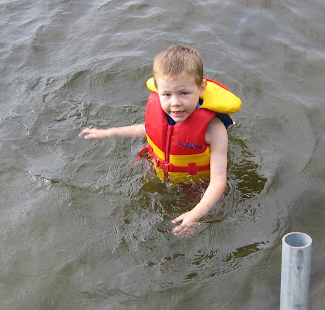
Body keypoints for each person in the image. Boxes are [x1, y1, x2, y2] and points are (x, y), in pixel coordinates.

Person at [78, 45, 242, 238]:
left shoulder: (214, 129)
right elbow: (145, 130)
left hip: (200, 182)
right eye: (167, 94)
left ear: (201, 88)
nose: (175, 103)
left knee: (213, 214)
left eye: (184, 93)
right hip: (161, 170)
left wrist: (195, 214)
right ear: (158, 90)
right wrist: (107, 132)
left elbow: (218, 180)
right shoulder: (164, 112)